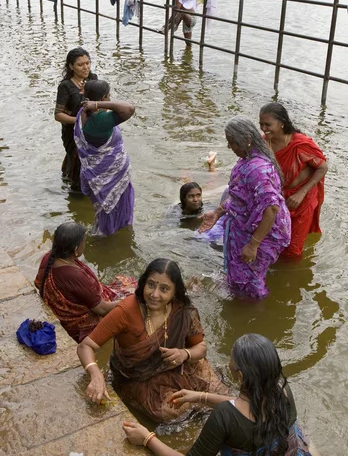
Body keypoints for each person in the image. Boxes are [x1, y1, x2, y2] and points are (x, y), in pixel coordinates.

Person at [123, 333, 315, 456]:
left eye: (231, 359)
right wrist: (201, 397)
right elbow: (249, 406)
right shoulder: (282, 388)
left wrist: (147, 438)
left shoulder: (225, 415)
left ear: (240, 375)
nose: (228, 363)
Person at [77, 258, 228, 421]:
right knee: (170, 411)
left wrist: (184, 354)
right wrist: (96, 374)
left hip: (178, 366)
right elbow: (86, 346)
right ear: (143, 284)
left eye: (164, 289)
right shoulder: (126, 311)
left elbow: (200, 348)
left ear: (175, 292)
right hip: (139, 378)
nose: (155, 294)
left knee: (221, 395)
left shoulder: (183, 311)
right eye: (151, 285)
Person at [199, 117, 291, 299]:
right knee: (241, 277)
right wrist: (218, 212)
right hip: (244, 228)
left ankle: (253, 318)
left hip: (260, 234)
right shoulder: (246, 160)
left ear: (247, 139)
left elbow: (271, 208)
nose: (229, 147)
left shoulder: (259, 169)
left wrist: (253, 245)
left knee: (251, 284)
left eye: (232, 143)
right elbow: (239, 196)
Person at [34, 222, 136, 343]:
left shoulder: (49, 257)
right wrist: (129, 301)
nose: (85, 245)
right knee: (134, 297)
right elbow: (101, 309)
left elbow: (39, 283)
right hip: (79, 324)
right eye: (84, 242)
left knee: (124, 281)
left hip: (68, 306)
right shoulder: (75, 276)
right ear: (76, 249)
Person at [259, 103, 328, 259]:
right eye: (261, 124)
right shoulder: (264, 143)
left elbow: (322, 167)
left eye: (268, 124)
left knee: (292, 250)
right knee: (272, 243)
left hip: (301, 199)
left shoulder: (300, 144)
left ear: (282, 123)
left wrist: (302, 193)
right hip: (278, 198)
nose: (263, 129)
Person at [73, 80, 135, 236]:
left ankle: (104, 238)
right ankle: (109, 240)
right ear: (102, 99)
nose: (110, 100)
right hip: (111, 177)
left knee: (103, 211)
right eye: (108, 96)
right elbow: (129, 108)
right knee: (113, 213)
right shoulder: (99, 121)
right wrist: (99, 105)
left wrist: (95, 103)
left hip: (96, 175)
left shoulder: (83, 112)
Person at [55, 47, 98, 192]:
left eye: (88, 63)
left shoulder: (93, 79)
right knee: (76, 159)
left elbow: (101, 101)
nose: (85, 67)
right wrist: (79, 121)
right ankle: (75, 191)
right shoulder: (66, 86)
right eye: (80, 64)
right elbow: (58, 115)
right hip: (72, 131)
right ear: (71, 66)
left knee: (91, 161)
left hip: (91, 129)